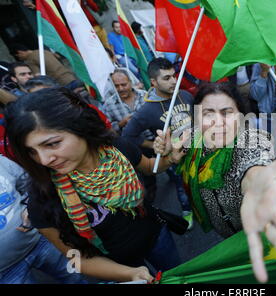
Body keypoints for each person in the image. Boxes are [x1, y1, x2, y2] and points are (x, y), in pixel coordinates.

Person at [154, 81, 276, 283]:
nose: (217, 122)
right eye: (208, 113)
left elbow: (254, 168)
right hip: (223, 231)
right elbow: (156, 166)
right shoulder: (191, 138)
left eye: (226, 112)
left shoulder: (252, 141)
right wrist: (168, 156)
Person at [4, 88, 181, 283]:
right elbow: (78, 259)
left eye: (53, 144)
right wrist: (128, 274)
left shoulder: (115, 149)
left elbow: (149, 167)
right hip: (115, 268)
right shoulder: (42, 200)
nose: (44, 160)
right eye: (31, 151)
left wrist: (169, 157)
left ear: (79, 127)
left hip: (157, 236)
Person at [123, 58, 194, 229]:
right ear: (153, 82)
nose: (174, 81)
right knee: (182, 186)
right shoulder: (147, 110)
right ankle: (187, 210)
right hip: (173, 158)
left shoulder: (185, 95)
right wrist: (153, 145)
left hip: (197, 150)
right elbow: (127, 136)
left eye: (174, 76)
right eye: (166, 78)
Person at [0, 155, 87, 284]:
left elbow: (28, 185)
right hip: (6, 271)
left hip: (40, 241)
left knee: (78, 276)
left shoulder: (1, 162)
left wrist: (29, 207)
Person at [9, 44, 77, 88]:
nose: (20, 59)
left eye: (18, 57)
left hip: (61, 83)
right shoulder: (43, 51)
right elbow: (58, 56)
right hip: (71, 76)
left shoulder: (30, 60)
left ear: (20, 52)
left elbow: (38, 76)